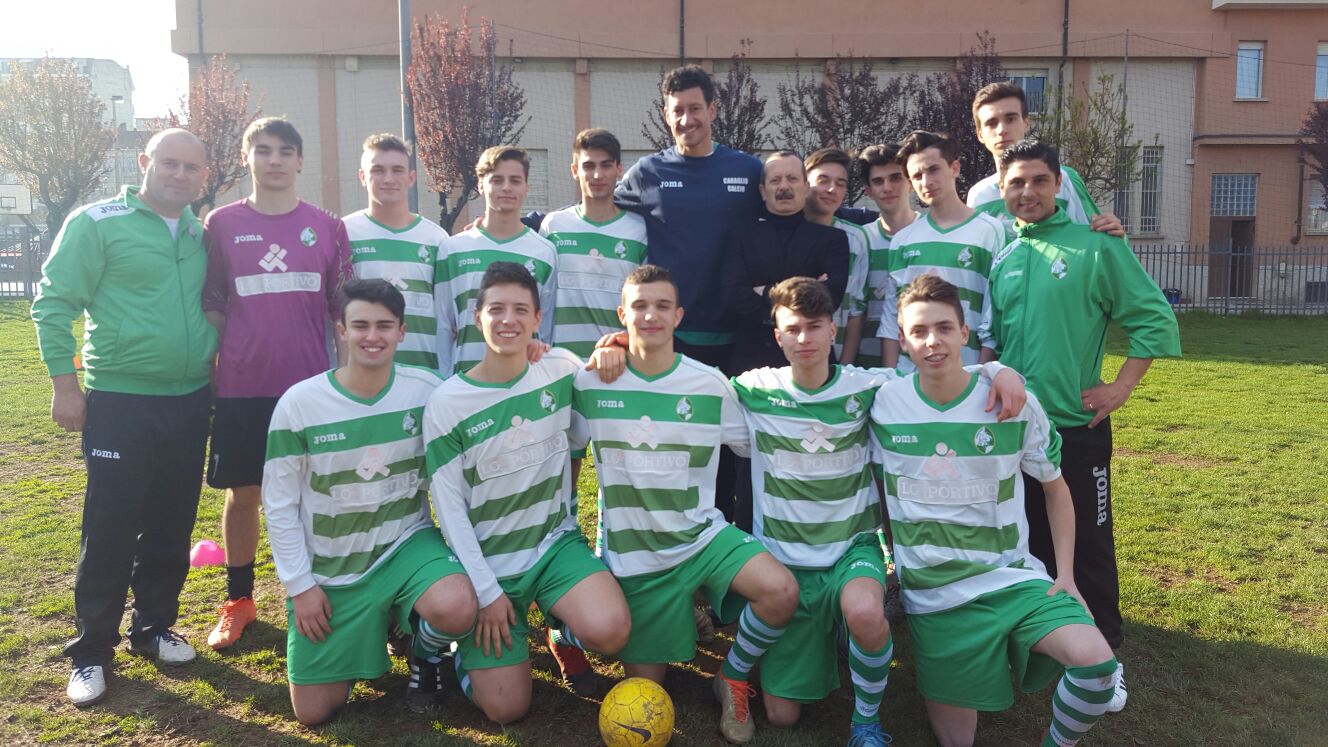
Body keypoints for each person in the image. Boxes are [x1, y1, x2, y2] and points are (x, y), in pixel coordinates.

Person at [730, 277, 1026, 747]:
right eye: (793, 329)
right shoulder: (752, 389)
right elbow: (692, 383)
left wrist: (999, 371)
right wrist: (623, 344)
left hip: (853, 546)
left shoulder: (869, 386)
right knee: (783, 717)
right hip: (786, 557)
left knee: (866, 613)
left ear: (833, 330)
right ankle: (798, 652)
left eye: (815, 327)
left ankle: (865, 721)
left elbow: (940, 370)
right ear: (778, 336)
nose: (804, 339)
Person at [871, 273, 1121, 747]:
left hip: (1012, 578)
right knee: (957, 742)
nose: (933, 341)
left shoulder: (1014, 404)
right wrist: (998, 367)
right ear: (902, 342)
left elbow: (1056, 489)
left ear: (965, 334)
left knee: (1097, 665)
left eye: (945, 327)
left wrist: (1064, 575)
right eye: (919, 331)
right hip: (935, 597)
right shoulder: (882, 402)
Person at [989, 140, 1181, 712]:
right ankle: (1042, 643)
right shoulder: (1004, 253)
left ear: (1058, 186)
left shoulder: (1096, 245)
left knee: (1090, 546)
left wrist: (1120, 387)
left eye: (1039, 181)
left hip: (1075, 429)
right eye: (1017, 182)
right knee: (1025, 539)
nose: (1028, 192)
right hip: (1011, 430)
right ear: (1003, 189)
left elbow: (1152, 316)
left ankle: (1106, 660)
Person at [573, 265, 799, 745]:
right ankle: (568, 629)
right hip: (637, 559)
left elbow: (756, 444)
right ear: (621, 315)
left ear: (678, 316)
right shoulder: (591, 383)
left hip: (703, 538)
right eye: (639, 306)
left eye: (660, 306)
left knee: (780, 591)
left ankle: (731, 676)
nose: (649, 315)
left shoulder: (709, 384)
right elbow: (563, 440)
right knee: (646, 688)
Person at [31, 128, 216, 707]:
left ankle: (153, 627)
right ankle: (90, 651)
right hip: (119, 401)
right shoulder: (97, 221)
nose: (179, 175)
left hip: (190, 400)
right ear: (144, 163)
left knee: (171, 521)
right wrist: (66, 387)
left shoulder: (199, 232)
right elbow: (53, 304)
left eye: (191, 167)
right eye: (169, 163)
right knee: (110, 526)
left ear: (204, 176)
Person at [261, 279, 478, 724]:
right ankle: (387, 620)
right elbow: (279, 505)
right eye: (360, 325)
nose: (372, 336)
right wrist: (300, 587)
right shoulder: (299, 404)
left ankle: (424, 650)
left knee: (457, 606)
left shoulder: (427, 391)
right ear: (340, 328)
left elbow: (487, 392)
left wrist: (538, 355)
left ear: (402, 331)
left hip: (405, 546)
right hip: (335, 567)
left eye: (384, 325)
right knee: (315, 713)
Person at [424, 263, 630, 724]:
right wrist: (485, 591)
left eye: (521, 310)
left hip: (554, 545)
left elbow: (599, 380)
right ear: (477, 317)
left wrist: (614, 344)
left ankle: (562, 633)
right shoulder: (447, 403)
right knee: (506, 709)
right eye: (496, 309)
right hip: (491, 562)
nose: (508, 320)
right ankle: (458, 647)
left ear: (538, 319)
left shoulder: (557, 367)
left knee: (612, 632)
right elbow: (450, 510)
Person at [202, 117, 353, 652]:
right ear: (247, 157)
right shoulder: (220, 223)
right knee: (246, 494)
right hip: (241, 387)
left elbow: (343, 310)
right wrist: (207, 367)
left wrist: (349, 380)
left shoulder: (328, 227)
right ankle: (239, 600)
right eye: (263, 150)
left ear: (300, 161)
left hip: (310, 388)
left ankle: (319, 594)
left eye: (285, 151)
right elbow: (213, 302)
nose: (274, 160)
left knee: (316, 495)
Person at [615, 64, 764, 524]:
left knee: (737, 445)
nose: (687, 120)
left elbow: (798, 203)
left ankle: (735, 538)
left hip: (739, 334)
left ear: (713, 109)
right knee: (678, 443)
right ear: (666, 114)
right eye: (677, 111)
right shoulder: (648, 172)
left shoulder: (747, 169)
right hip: (674, 335)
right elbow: (594, 207)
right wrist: (530, 219)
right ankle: (677, 530)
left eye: (695, 109)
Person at [877, 131, 1007, 372]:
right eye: (917, 176)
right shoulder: (903, 240)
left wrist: (983, 372)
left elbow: (995, 311)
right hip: (910, 378)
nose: (926, 181)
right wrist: (891, 376)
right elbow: (890, 317)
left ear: (954, 168)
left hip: (968, 374)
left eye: (933, 169)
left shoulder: (990, 231)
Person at [721, 150, 849, 374]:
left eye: (792, 179)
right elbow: (734, 296)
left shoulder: (832, 240)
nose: (784, 187)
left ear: (806, 186)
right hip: (752, 361)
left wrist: (765, 291)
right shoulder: (740, 236)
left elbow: (831, 297)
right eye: (775, 180)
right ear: (763, 191)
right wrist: (810, 288)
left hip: (813, 362)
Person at [438, 147, 557, 375]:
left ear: (526, 188)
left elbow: (546, 328)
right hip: (464, 382)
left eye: (515, 180)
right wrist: (443, 382)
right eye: (497, 180)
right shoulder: (452, 249)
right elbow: (443, 327)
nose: (506, 188)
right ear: (481, 185)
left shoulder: (544, 252)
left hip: (524, 382)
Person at [343, 133, 450, 370]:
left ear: (411, 178)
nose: (388, 178)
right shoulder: (344, 233)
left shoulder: (436, 239)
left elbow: (446, 316)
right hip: (363, 375)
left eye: (397, 170)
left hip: (425, 374)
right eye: (378, 170)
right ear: (362, 176)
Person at [540, 128, 647, 358]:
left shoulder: (639, 230)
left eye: (606, 165)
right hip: (561, 361)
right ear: (574, 170)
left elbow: (645, 300)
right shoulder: (553, 227)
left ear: (619, 169)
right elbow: (539, 294)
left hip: (617, 361)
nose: (597, 175)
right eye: (588, 166)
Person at [967, 81, 1120, 235]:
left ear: (1026, 123)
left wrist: (1113, 232)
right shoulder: (979, 196)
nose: (1002, 130)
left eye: (1010, 119)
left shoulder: (1065, 178)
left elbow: (1097, 236)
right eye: (992, 123)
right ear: (980, 134)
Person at [802, 147, 872, 366]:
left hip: (835, 360)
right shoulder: (785, 231)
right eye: (823, 180)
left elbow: (856, 309)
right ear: (805, 184)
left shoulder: (855, 238)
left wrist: (845, 366)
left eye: (840, 183)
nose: (832, 189)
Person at [855, 144, 918, 370]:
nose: (887, 187)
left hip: (917, 366)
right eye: (878, 181)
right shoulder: (860, 239)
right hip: (866, 365)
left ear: (910, 182)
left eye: (895, 178)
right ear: (868, 191)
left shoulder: (928, 235)